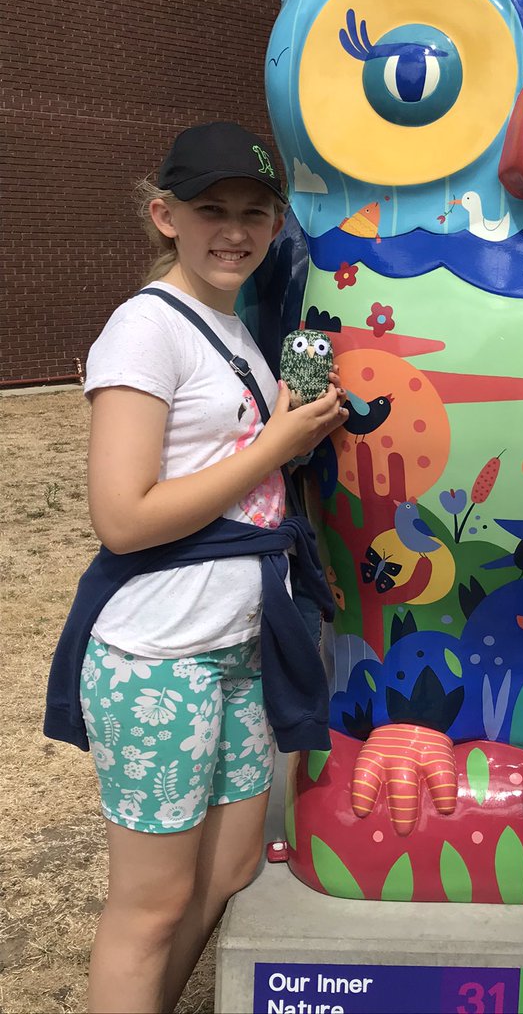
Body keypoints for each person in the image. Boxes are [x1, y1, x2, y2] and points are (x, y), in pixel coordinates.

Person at [44, 122, 348, 1014]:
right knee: (150, 905)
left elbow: (224, 476)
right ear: (163, 215)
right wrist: (273, 448)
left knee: (226, 872)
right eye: (211, 209)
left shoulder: (233, 327)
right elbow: (124, 516)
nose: (235, 230)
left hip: (237, 647)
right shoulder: (143, 329)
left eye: (256, 213)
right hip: (159, 657)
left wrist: (296, 439)